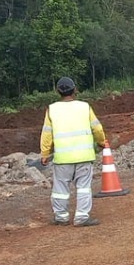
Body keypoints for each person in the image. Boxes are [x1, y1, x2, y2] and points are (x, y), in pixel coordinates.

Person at [40, 77, 106, 227]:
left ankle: (61, 217)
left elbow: (47, 134)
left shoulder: (52, 109)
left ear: (57, 91)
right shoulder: (85, 107)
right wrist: (102, 141)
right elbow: (97, 128)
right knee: (83, 188)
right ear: (75, 89)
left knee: (60, 189)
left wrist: (45, 153)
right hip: (84, 156)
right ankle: (81, 217)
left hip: (62, 158)